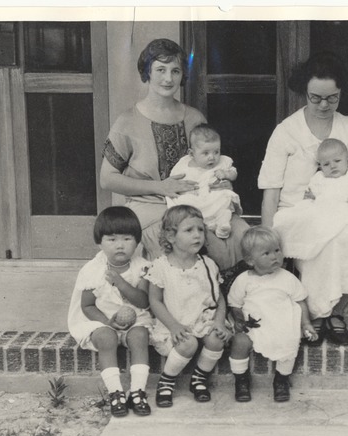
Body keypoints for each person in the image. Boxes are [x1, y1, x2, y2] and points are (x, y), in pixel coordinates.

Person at [257, 51, 348, 346]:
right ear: (304, 92)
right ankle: (323, 313)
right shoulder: (286, 132)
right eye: (315, 97)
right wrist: (268, 235)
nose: (323, 105)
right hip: (297, 213)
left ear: (341, 93)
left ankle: (339, 308)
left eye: (332, 98)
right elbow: (270, 189)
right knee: (326, 239)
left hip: (340, 210)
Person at [99, 38, 249, 271]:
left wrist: (221, 182)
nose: (168, 78)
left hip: (199, 201)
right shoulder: (127, 121)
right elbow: (107, 178)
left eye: (175, 71)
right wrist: (161, 187)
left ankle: (226, 298)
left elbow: (209, 162)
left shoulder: (194, 118)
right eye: (160, 70)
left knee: (242, 235)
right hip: (151, 206)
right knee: (178, 246)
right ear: (147, 72)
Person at [67, 206, 154, 418]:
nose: (120, 245)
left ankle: (137, 391)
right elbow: (87, 306)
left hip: (136, 317)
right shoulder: (93, 270)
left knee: (140, 336)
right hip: (102, 320)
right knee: (106, 338)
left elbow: (143, 301)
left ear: (137, 241)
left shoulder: (143, 268)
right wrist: (107, 322)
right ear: (99, 242)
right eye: (112, 239)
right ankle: (116, 393)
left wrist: (121, 283)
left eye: (127, 239)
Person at [144, 205, 232, 408]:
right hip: (174, 322)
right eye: (189, 230)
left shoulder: (207, 264)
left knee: (217, 338)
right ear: (171, 237)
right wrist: (174, 326)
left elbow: (218, 298)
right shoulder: (161, 266)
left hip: (203, 320)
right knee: (187, 344)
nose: (197, 235)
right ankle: (166, 380)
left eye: (201, 230)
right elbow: (154, 301)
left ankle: (199, 378)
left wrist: (219, 321)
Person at [227, 226, 318, 403]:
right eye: (266, 253)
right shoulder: (244, 279)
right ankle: (241, 379)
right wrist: (239, 319)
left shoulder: (287, 277)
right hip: (254, 324)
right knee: (240, 341)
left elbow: (300, 301)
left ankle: (282, 379)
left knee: (290, 341)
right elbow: (235, 304)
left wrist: (306, 324)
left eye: (277, 250)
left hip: (281, 323)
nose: (274, 256)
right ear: (250, 260)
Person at [272, 138, 348, 260]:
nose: (332, 166)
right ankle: (295, 248)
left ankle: (317, 243)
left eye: (337, 161)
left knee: (334, 219)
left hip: (343, 206)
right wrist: (311, 196)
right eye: (326, 164)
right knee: (288, 216)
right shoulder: (319, 178)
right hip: (322, 208)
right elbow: (312, 192)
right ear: (320, 166)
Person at [166, 124, 242, 239]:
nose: (212, 157)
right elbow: (174, 179)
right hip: (194, 197)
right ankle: (194, 225)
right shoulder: (184, 164)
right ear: (192, 153)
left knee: (224, 199)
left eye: (216, 152)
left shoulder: (223, 162)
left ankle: (222, 225)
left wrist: (226, 174)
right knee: (183, 203)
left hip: (213, 195)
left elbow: (234, 173)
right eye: (206, 153)